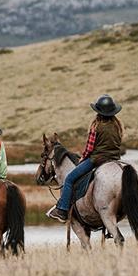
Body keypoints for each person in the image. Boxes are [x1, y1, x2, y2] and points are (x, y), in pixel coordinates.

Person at [46, 94, 124, 223]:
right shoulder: (118, 126)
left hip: (98, 159)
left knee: (70, 178)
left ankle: (63, 210)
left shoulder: (96, 126)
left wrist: (83, 158)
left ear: (98, 112)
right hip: (115, 159)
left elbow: (89, 148)